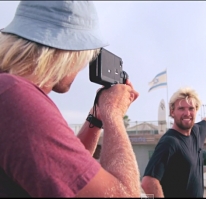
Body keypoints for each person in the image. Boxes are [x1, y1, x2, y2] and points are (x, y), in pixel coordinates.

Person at [0, 1, 141, 197]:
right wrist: (114, 113)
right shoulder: (15, 96)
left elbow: (70, 175)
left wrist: (97, 117)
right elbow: (124, 195)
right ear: (70, 52)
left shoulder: (7, 92)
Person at [141, 87, 206, 198]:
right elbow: (148, 182)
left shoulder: (197, 132)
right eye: (181, 108)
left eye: (191, 108)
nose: (187, 113)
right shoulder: (169, 142)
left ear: (196, 110)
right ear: (172, 112)